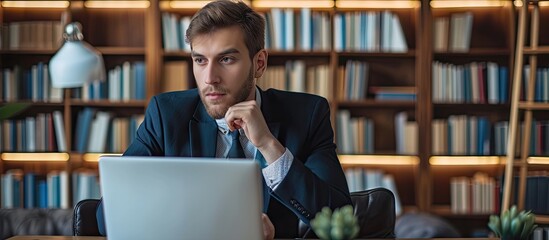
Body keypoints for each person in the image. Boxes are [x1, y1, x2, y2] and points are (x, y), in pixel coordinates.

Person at [96, 0, 351, 238]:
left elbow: (341, 217)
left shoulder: (307, 114)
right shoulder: (166, 115)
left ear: (259, 63)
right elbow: (107, 215)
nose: (210, 78)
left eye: (226, 59)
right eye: (200, 60)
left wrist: (268, 145)